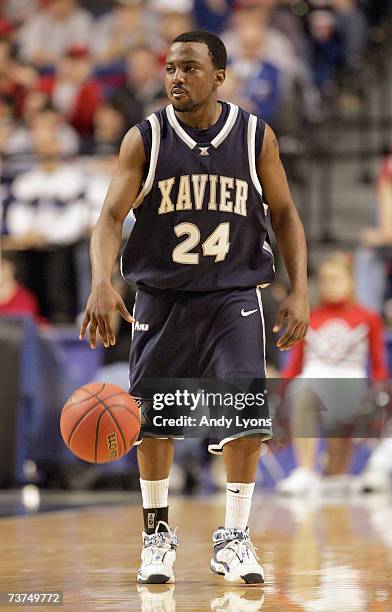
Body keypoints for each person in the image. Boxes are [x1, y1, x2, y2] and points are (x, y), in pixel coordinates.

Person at [80, 30, 309, 585]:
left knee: (246, 416)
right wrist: (101, 282)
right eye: (170, 69)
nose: (176, 78)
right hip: (162, 294)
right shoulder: (147, 138)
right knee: (154, 423)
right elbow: (110, 217)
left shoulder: (255, 136)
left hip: (234, 295)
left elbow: (284, 216)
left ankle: (234, 538)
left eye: (189, 68)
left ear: (219, 76)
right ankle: (156, 536)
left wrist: (299, 289)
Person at [278, 253, 388, 495]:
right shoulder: (308, 316)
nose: (330, 285)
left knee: (335, 477)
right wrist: (279, 387)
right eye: (325, 280)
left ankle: (333, 475)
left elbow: (378, 363)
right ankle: (305, 470)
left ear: (351, 282)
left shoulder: (367, 317)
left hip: (350, 384)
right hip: (313, 380)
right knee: (304, 390)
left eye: (336, 279)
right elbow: (295, 363)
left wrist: (381, 391)